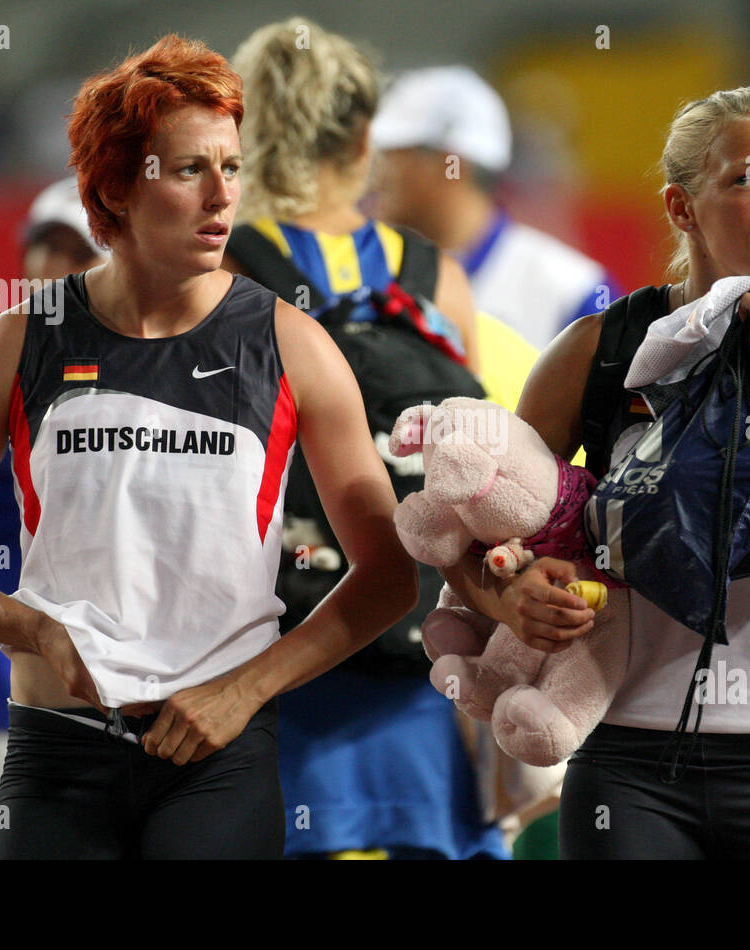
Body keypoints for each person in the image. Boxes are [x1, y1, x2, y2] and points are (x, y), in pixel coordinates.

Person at [0, 34, 417, 860]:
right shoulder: (21, 340)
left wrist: (246, 690)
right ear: (117, 187)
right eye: (191, 169)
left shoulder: (292, 345)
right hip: (55, 754)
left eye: (231, 167)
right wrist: (32, 629)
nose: (222, 195)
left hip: (217, 759)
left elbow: (388, 576)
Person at [441, 86, 750, 859]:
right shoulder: (598, 350)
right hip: (628, 759)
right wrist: (509, 595)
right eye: (746, 179)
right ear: (681, 207)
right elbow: (468, 528)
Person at [223, 17, 506, 860]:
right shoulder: (435, 274)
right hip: (424, 653)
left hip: (277, 660)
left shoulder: (226, 268)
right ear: (363, 140)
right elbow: (476, 465)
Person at [0, 176, 106, 859]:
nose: (52, 267)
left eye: (75, 251)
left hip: (106, 687)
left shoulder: (149, 375)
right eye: (44, 246)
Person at [370, 65, 622, 352]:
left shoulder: (573, 293)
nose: (377, 172)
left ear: (452, 163)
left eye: (395, 153)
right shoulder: (362, 269)